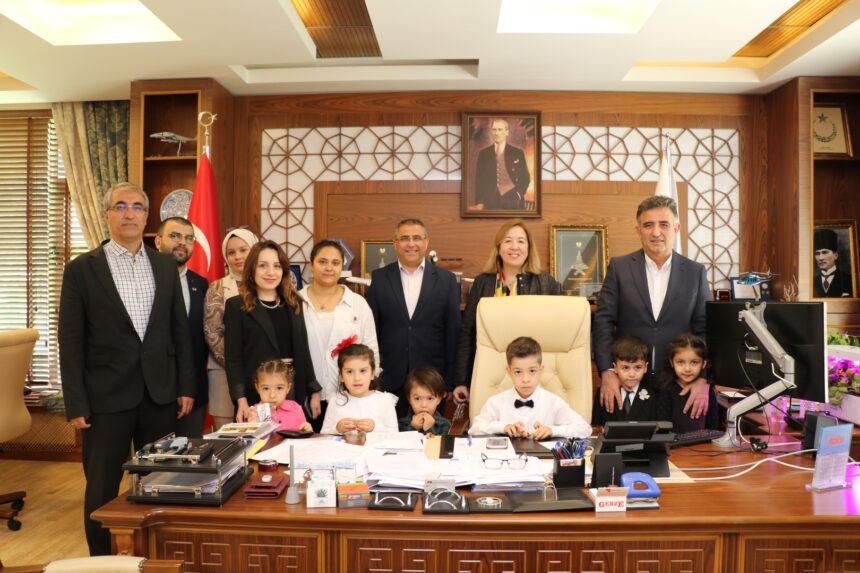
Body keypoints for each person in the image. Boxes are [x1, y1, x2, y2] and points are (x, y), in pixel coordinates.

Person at [59, 182, 194, 555]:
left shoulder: (165, 266)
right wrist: (76, 402)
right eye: (120, 206)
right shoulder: (82, 270)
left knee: (161, 483)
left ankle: (156, 557)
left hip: (159, 394)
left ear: (147, 217)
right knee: (102, 487)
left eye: (137, 206)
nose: (129, 213)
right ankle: (102, 561)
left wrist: (186, 385)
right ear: (106, 215)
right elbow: (70, 341)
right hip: (105, 399)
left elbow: (179, 332)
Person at [593, 195, 711, 418]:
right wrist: (607, 371)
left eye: (664, 224)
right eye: (648, 225)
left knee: (684, 441)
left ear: (676, 228)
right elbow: (603, 322)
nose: (656, 232)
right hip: (629, 383)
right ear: (638, 230)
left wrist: (703, 378)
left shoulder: (695, 272)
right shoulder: (619, 268)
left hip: (681, 385)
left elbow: (705, 330)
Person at [452, 219, 560, 402]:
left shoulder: (545, 282)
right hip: (489, 373)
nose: (514, 247)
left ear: (529, 248)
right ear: (498, 247)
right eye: (508, 241)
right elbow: (467, 333)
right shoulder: (483, 283)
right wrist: (461, 381)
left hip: (530, 375)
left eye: (521, 241)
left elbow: (556, 333)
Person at [366, 218, 461, 415]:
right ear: (395, 244)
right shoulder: (380, 278)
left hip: (432, 381)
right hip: (390, 378)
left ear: (426, 242)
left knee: (430, 433)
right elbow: (372, 331)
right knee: (391, 433)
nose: (411, 244)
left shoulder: (447, 280)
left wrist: (450, 381)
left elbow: (453, 333)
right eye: (404, 238)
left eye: (417, 238)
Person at [224, 240, 321, 423]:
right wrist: (241, 399)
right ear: (252, 269)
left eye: (277, 266)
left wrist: (313, 389)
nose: (271, 272)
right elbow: (233, 358)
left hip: (292, 388)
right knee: (265, 439)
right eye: (263, 266)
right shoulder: (236, 306)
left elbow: (303, 349)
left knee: (292, 436)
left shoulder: (294, 302)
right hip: (259, 392)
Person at [299, 239, 379, 431]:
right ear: (311, 265)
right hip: (306, 398)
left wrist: (365, 392)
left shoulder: (358, 303)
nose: (329, 268)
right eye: (322, 262)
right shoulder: (296, 302)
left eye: (335, 263)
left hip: (349, 398)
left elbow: (371, 350)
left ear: (342, 267)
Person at [469, 337, 591, 440]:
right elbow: (474, 429)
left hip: (544, 460)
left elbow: (585, 429)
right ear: (509, 372)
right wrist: (502, 427)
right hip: (506, 460)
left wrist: (552, 430)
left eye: (532, 371)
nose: (525, 379)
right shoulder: (495, 402)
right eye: (518, 372)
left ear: (541, 370)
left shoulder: (554, 403)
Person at [155, 216, 209, 438]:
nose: (182, 243)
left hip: (192, 391)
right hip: (153, 393)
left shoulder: (201, 284)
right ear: (158, 241)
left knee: (191, 455)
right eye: (175, 236)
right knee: (152, 457)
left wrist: (188, 387)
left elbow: (200, 339)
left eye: (189, 238)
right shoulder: (143, 280)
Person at [203, 227, 259, 429]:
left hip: (264, 374)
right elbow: (213, 333)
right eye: (231, 252)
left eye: (243, 249)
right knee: (227, 436)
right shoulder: (217, 288)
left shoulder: (269, 283)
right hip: (224, 372)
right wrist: (238, 366)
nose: (238, 257)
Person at [320, 343, 399, 434]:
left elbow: (394, 434)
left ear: (372, 374)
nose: (357, 378)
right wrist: (337, 428)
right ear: (341, 376)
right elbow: (324, 433)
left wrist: (374, 427)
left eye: (363, 371)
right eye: (349, 372)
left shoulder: (384, 400)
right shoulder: (336, 400)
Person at [656, 334, 718, 433]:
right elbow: (662, 429)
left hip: (703, 442)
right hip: (672, 442)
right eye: (680, 362)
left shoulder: (708, 391)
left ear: (704, 364)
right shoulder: (666, 390)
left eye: (694, 362)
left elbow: (713, 429)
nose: (687, 369)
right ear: (672, 362)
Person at [591, 336, 656, 426]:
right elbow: (596, 427)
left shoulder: (653, 395)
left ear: (645, 367)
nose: (632, 374)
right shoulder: (605, 392)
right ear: (615, 367)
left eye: (638, 367)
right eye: (625, 368)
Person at [474, 118, 531, 210]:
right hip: (490, 201)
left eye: (500, 129)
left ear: (506, 132)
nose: (496, 133)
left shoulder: (517, 153)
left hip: (513, 201)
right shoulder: (483, 154)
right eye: (494, 130)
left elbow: (525, 177)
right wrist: (479, 202)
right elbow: (479, 180)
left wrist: (519, 194)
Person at [247, 359, 313, 432]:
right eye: (266, 388)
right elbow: (246, 437)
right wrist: (252, 426)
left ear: (288, 388)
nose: (272, 395)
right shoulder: (253, 413)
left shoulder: (296, 409)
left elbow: (304, 433)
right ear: (257, 388)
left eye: (279, 388)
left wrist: (307, 430)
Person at [398, 366, 451, 435]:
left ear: (439, 399)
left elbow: (441, 442)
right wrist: (413, 428)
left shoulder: (445, 424)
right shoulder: (402, 424)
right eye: (417, 398)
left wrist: (429, 429)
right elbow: (401, 441)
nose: (424, 405)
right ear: (409, 399)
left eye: (430, 398)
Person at [813, 229, 853, 297]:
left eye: (825, 252)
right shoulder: (812, 282)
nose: (820, 258)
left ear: (835, 255)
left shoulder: (849, 280)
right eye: (817, 253)